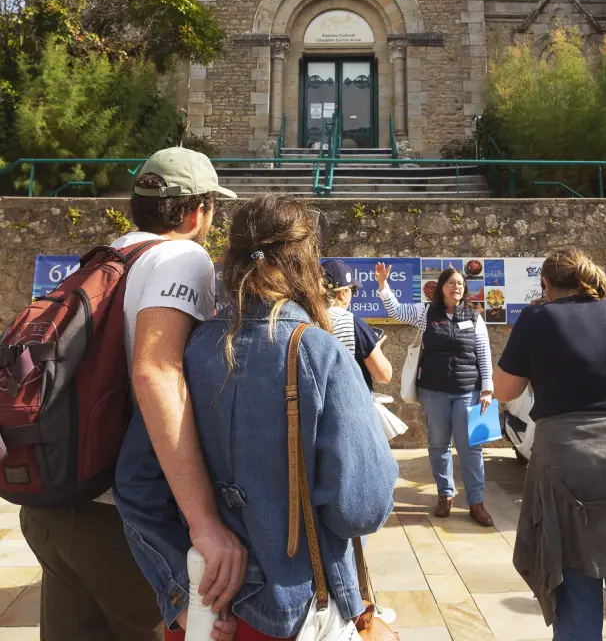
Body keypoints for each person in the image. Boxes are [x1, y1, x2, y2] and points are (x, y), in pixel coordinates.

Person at [115, 194, 398, 638]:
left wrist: (180, 595)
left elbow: (135, 486)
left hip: (209, 609)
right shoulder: (319, 352)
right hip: (299, 603)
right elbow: (362, 509)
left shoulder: (187, 351)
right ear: (306, 260)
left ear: (231, 258)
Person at [20, 147, 245, 641]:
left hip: (52, 510)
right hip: (118, 527)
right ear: (197, 210)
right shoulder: (183, 256)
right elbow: (154, 372)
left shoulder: (109, 255)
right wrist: (204, 522)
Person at [494, 247, 606, 641]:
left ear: (545, 284)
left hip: (567, 464)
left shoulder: (537, 318)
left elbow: (505, 389)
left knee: (573, 585)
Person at [374, 262, 494, 527]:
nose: (456, 287)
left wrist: (487, 388)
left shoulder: (474, 315)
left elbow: (484, 353)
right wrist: (384, 285)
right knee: (439, 446)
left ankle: (476, 502)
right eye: (451, 283)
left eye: (460, 283)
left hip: (468, 392)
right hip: (434, 391)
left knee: (471, 448)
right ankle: (445, 495)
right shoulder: (425, 312)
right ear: (440, 288)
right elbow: (395, 310)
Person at [322, 258, 393, 390]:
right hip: (347, 404)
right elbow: (384, 375)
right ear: (342, 294)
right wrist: (374, 347)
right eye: (352, 290)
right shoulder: (351, 322)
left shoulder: (304, 318)